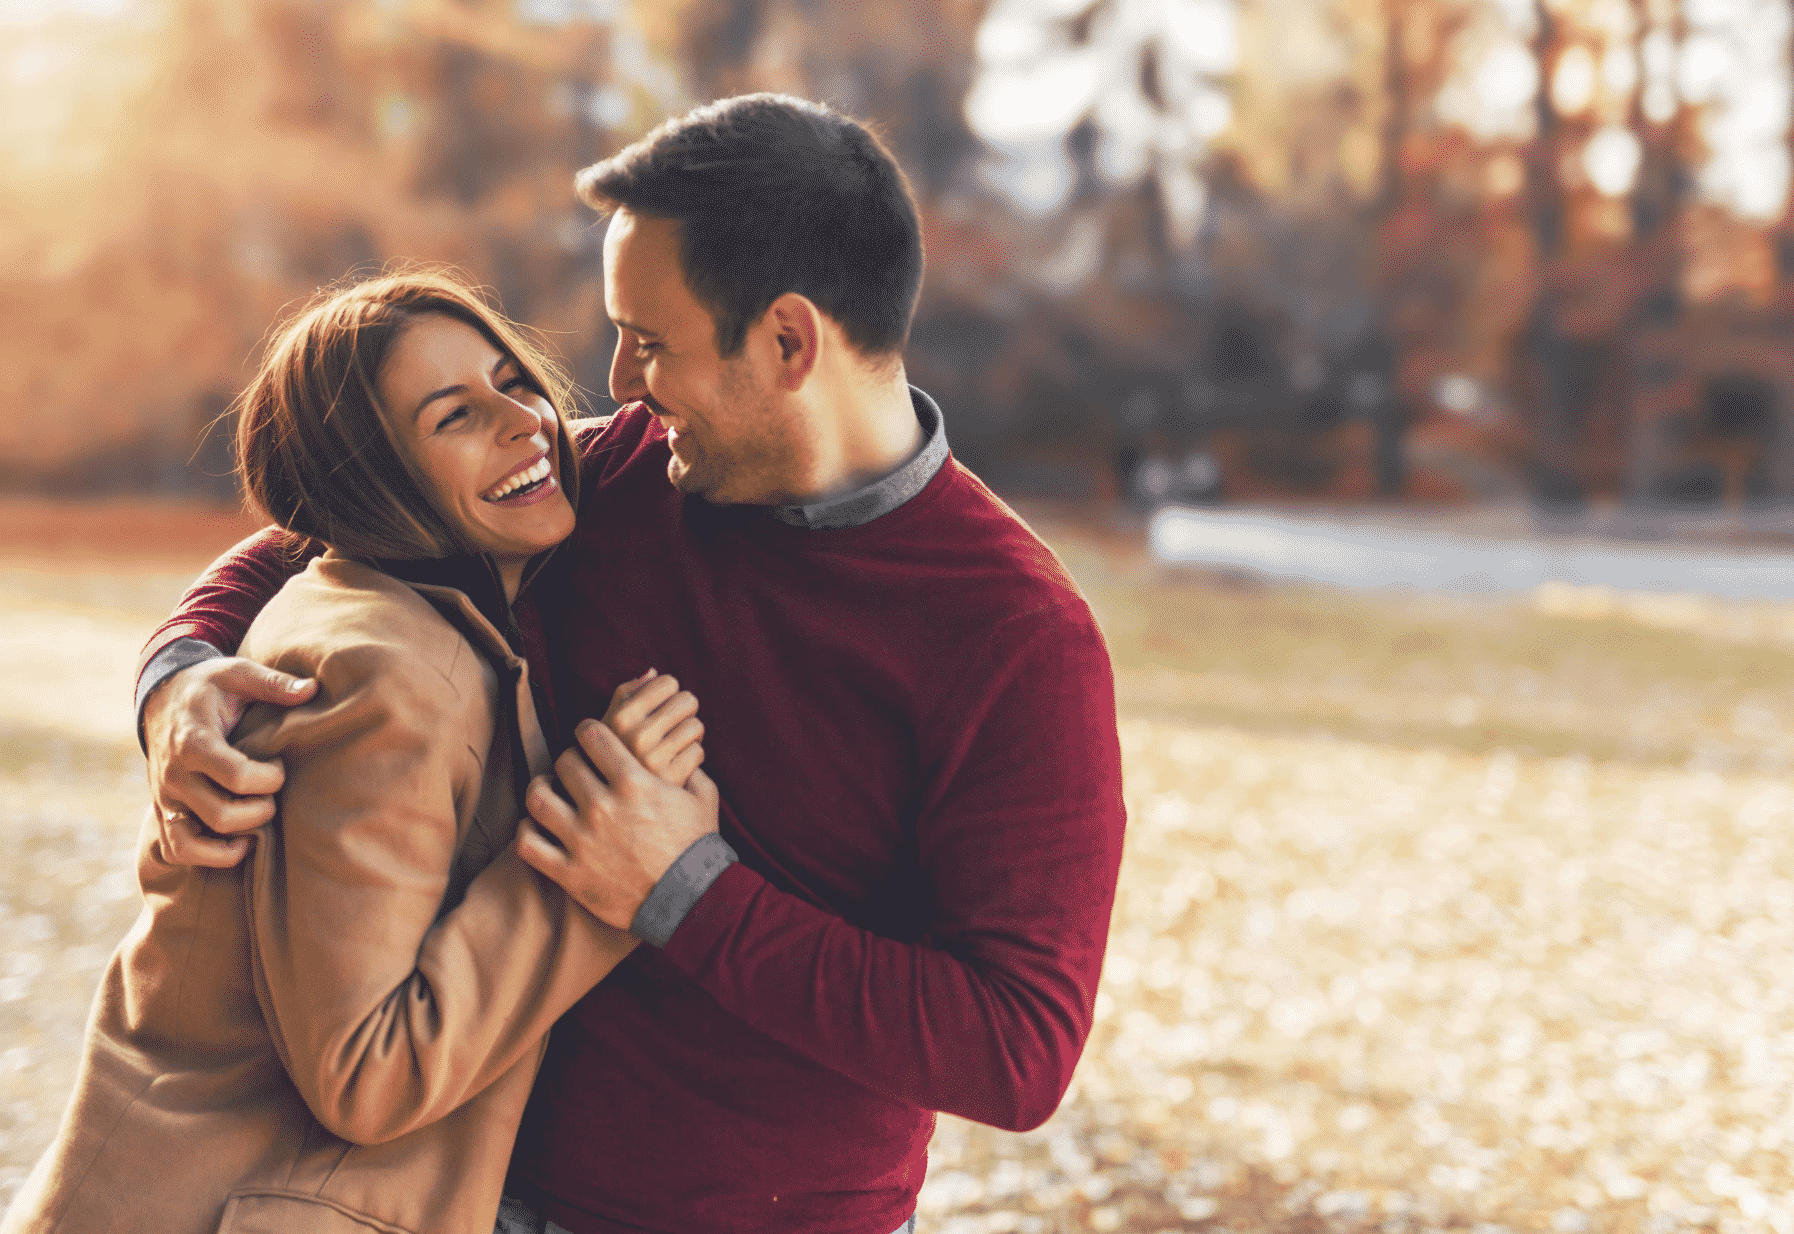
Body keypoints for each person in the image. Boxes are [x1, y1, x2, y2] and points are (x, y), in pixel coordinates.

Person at [134, 94, 1128, 1234]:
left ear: (788, 341)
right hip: (460, 1196)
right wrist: (179, 676)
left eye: (650, 342)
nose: (616, 380)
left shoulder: (1013, 639)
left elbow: (1014, 1050)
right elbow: (334, 520)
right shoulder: (620, 480)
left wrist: (681, 889)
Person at [4, 273, 709, 1234]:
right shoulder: (383, 679)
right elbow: (364, 1075)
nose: (527, 422)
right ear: (371, 484)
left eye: (512, 379)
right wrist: (595, 862)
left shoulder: (398, 614)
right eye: (454, 415)